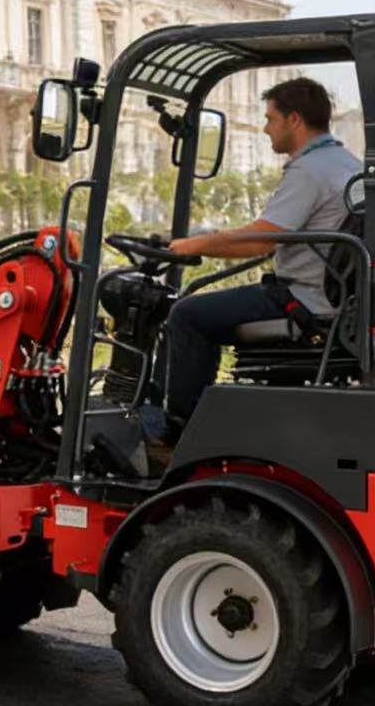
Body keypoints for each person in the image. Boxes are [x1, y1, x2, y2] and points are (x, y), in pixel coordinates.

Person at [151, 77, 362, 439]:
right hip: (334, 299)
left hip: (304, 301)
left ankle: (180, 434)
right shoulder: (348, 163)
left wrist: (192, 245)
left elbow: (260, 240)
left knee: (186, 315)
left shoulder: (309, 171)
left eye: (270, 119)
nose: (265, 128)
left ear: (294, 120)